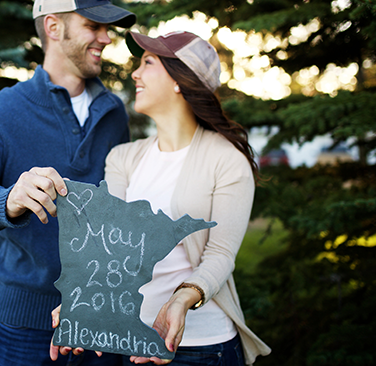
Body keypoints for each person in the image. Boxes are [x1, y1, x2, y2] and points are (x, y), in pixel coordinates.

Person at [0, 0, 136, 366]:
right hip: (24, 332)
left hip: (101, 322)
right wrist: (8, 200)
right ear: (53, 26)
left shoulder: (115, 113)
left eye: (108, 28)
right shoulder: (4, 109)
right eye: (93, 26)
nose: (106, 38)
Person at [51, 30, 271, 365]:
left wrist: (182, 299)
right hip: (133, 341)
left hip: (202, 346)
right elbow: (109, 245)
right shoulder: (123, 157)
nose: (135, 74)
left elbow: (221, 254)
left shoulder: (226, 160)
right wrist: (83, 297)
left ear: (180, 80)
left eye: (148, 63)